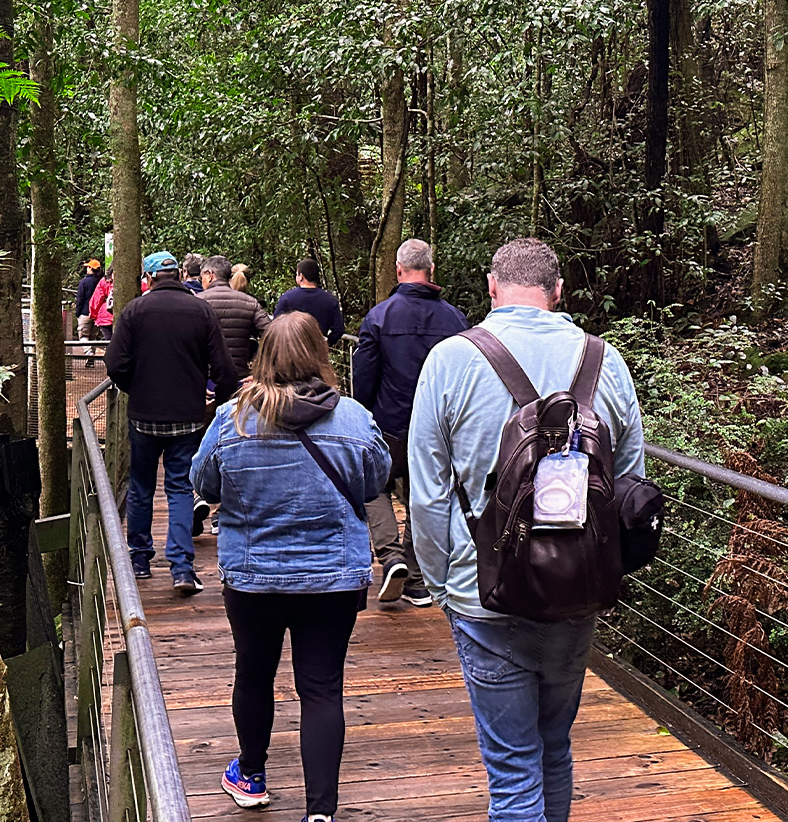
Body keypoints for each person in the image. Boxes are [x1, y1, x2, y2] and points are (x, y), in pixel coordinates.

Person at [408, 237, 646, 822]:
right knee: (555, 748)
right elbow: (630, 488)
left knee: (513, 767)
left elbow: (427, 491)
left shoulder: (451, 360)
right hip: (575, 591)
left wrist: (444, 587)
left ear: (491, 287)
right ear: (558, 290)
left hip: (483, 593)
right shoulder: (604, 360)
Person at [193, 311, 389, 822]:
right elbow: (374, 482)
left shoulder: (232, 418)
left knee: (253, 672)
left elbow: (204, 484)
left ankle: (251, 775)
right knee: (321, 687)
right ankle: (320, 812)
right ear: (319, 357)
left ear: (264, 358)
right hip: (333, 576)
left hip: (254, 575)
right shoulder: (353, 417)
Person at [104, 250, 239, 595]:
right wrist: (218, 401)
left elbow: (115, 362)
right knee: (179, 487)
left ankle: (139, 559)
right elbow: (224, 369)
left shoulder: (134, 311)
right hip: (188, 417)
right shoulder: (200, 310)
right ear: (179, 274)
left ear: (148, 279)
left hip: (145, 416)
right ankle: (181, 567)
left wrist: (133, 387)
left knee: (140, 486)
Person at [352, 238, 467, 607]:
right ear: (431, 270)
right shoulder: (456, 319)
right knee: (426, 496)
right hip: (437, 428)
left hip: (389, 425)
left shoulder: (380, 316)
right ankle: (417, 580)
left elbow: (364, 377)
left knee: (372, 486)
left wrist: (363, 417)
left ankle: (390, 557)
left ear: (399, 271)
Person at [198, 254, 273, 378]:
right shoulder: (250, 303)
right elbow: (274, 335)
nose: (201, 283)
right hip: (240, 379)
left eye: (202, 278)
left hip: (207, 379)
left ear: (210, 275)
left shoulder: (197, 302)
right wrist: (261, 373)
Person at [273, 258, 345, 344]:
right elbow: (339, 329)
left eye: (297, 274)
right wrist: (326, 344)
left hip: (292, 349)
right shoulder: (330, 300)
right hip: (317, 350)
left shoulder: (287, 298)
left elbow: (275, 325)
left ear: (301, 277)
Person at [75, 259, 105, 366]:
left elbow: (80, 299)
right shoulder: (101, 281)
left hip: (85, 312)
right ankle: (90, 358)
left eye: (88, 267)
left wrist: (77, 312)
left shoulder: (84, 282)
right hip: (97, 313)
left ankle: (89, 353)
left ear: (91, 269)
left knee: (83, 336)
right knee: (92, 337)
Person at [86, 266, 115, 345]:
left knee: (109, 341)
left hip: (106, 315)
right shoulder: (134, 280)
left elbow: (96, 300)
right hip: (127, 315)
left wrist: (93, 315)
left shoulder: (105, 281)